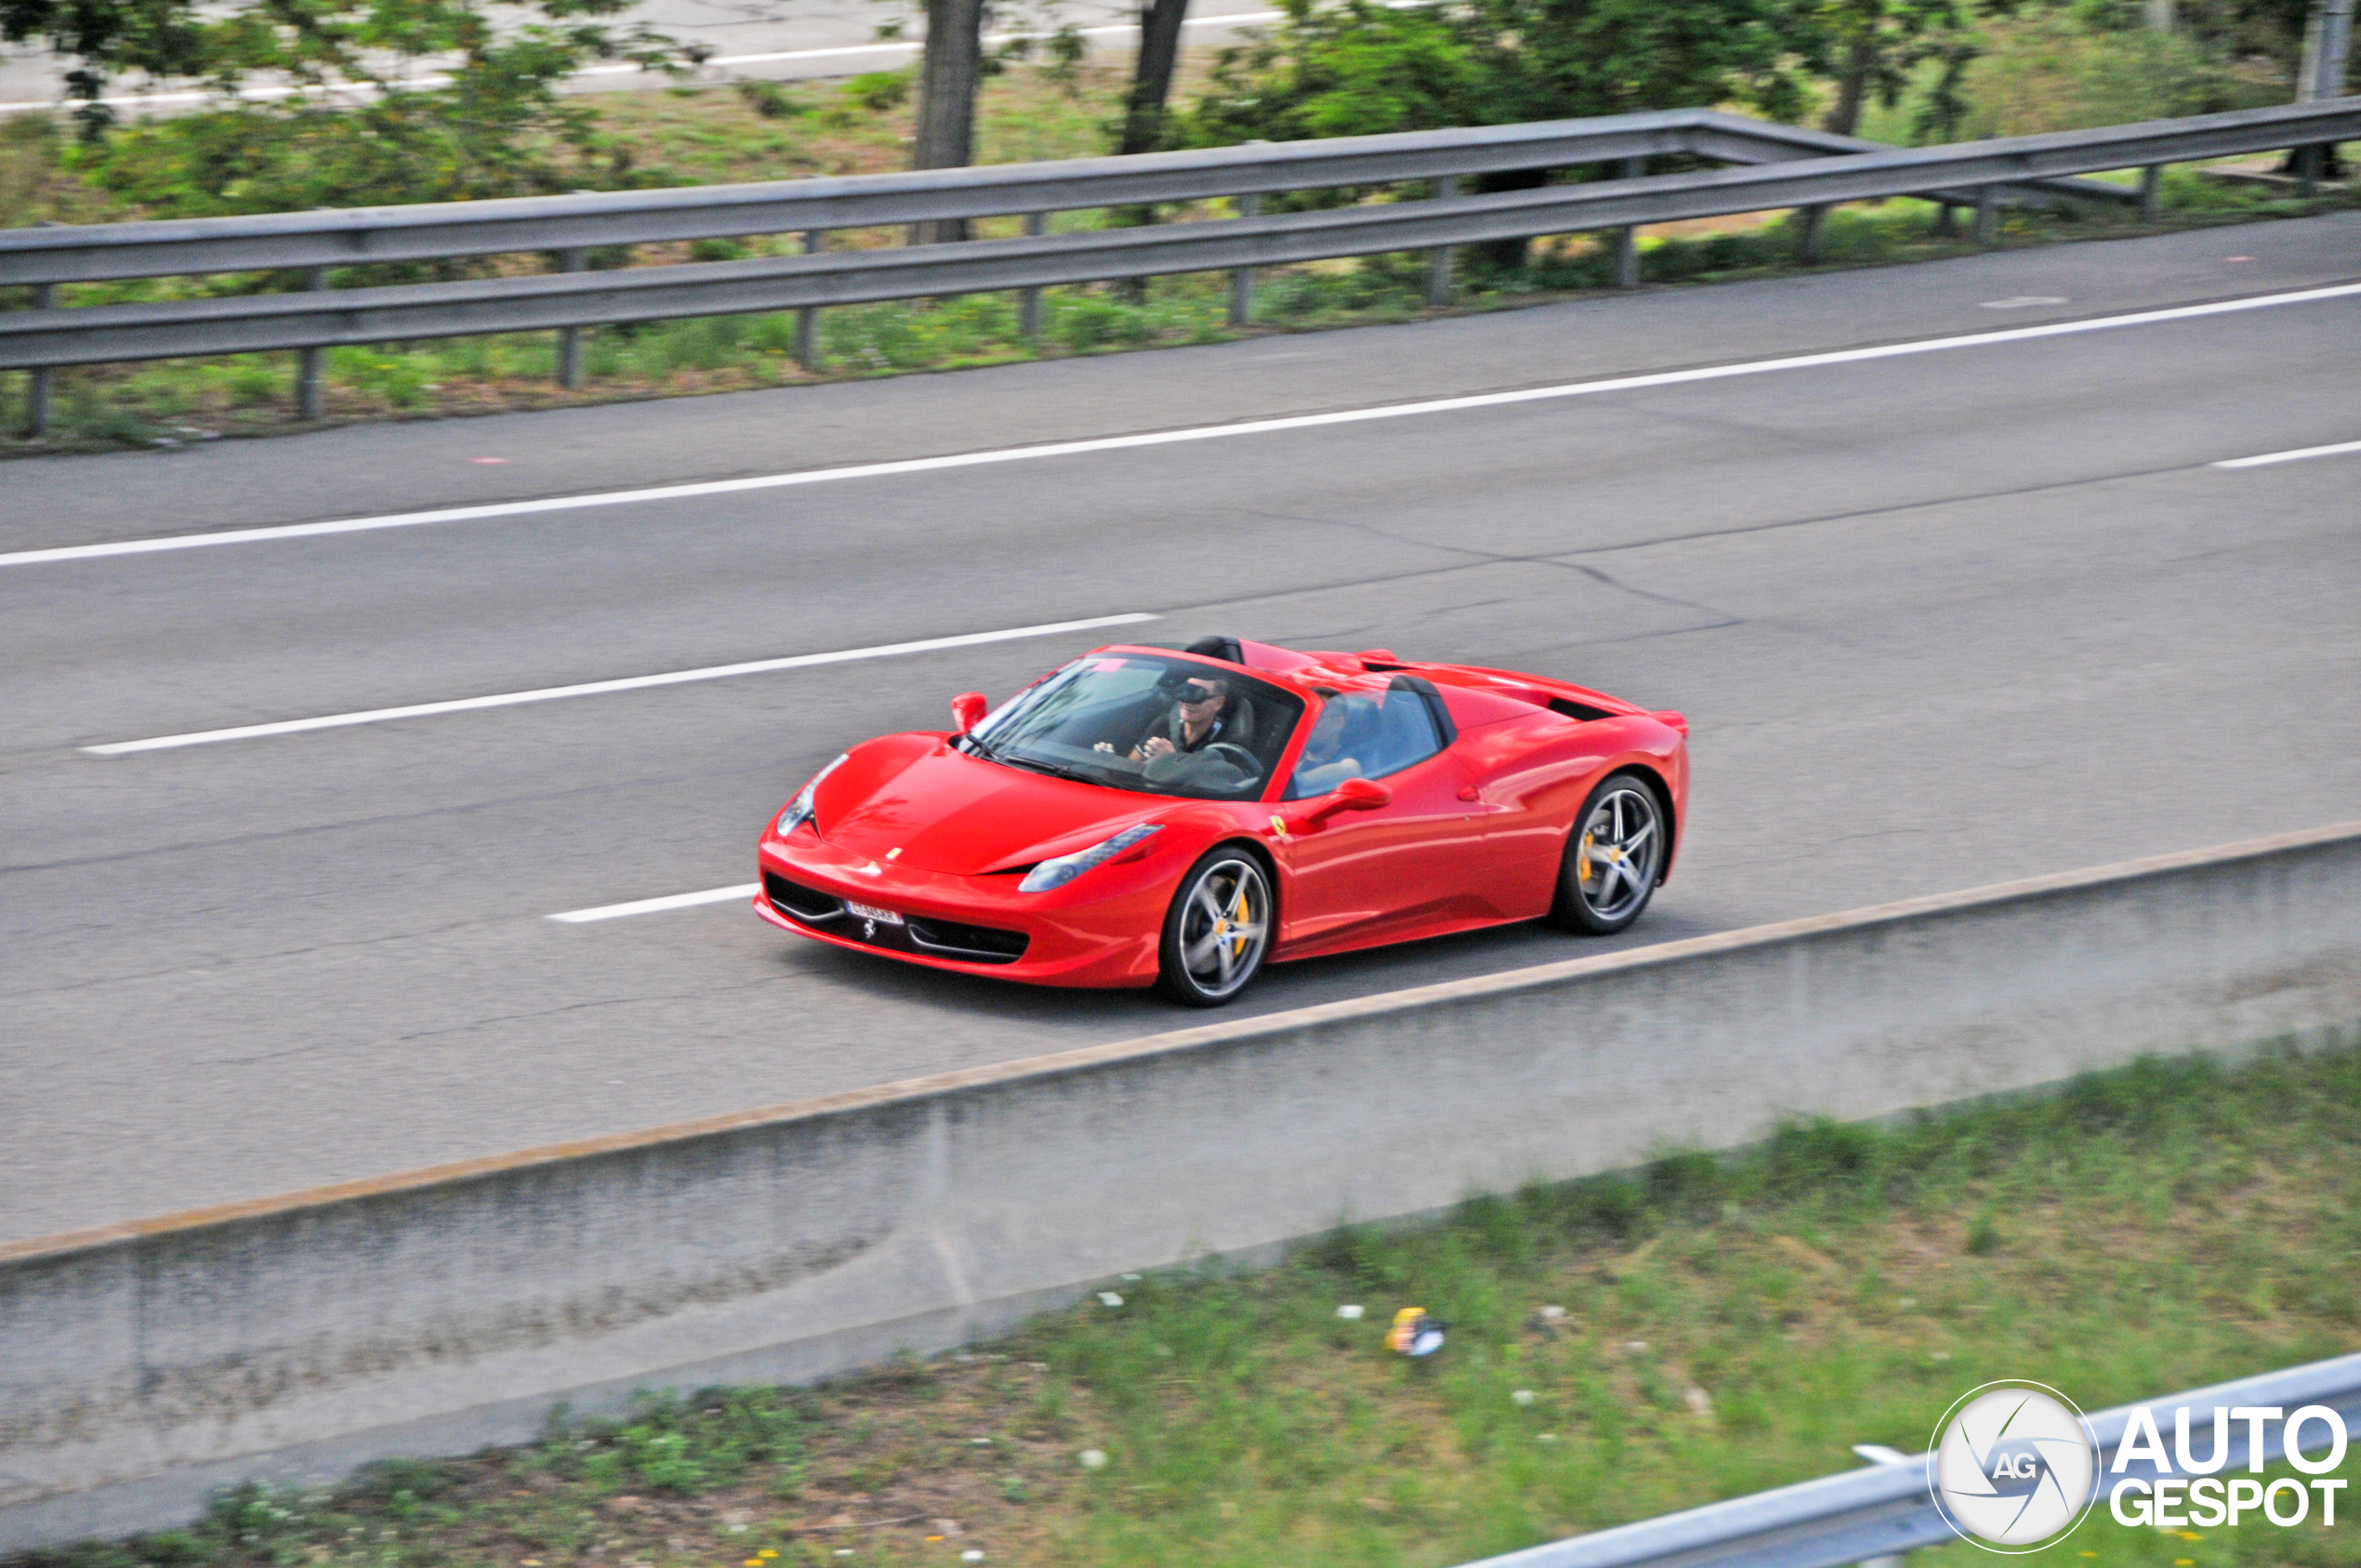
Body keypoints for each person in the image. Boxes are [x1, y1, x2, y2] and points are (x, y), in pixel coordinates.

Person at [1096, 675, 1233, 761]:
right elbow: (1132, 765)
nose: (1187, 701)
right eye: (1184, 692)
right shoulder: (1164, 724)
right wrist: (1109, 763)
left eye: (1197, 695)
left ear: (1218, 703)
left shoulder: (1227, 741)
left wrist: (1170, 762)